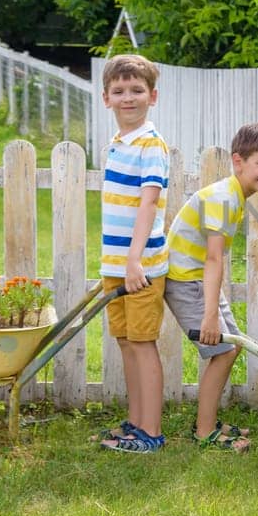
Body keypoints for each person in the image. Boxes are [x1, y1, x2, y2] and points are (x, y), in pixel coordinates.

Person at [165, 122, 258, 451]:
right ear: (238, 161)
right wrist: (209, 317)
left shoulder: (234, 195)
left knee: (230, 348)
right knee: (222, 351)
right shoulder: (222, 198)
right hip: (184, 279)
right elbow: (214, 260)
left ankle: (208, 422)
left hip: (195, 276)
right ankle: (205, 431)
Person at [97, 54, 170, 453]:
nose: (129, 98)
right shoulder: (117, 144)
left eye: (137, 90)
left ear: (152, 96)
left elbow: (148, 204)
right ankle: (136, 422)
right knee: (126, 341)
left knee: (143, 344)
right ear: (106, 98)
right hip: (118, 263)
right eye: (120, 91)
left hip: (139, 265)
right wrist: (116, 262)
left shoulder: (150, 145)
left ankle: (152, 433)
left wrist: (133, 260)